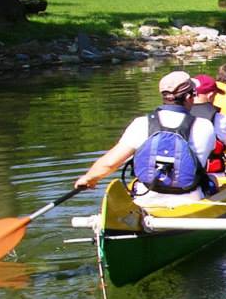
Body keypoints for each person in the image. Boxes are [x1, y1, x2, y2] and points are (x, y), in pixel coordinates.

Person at [74, 71, 217, 208]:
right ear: (188, 97)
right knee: (213, 180)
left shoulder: (141, 123)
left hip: (146, 199)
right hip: (189, 200)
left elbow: (110, 163)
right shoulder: (205, 126)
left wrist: (89, 178)